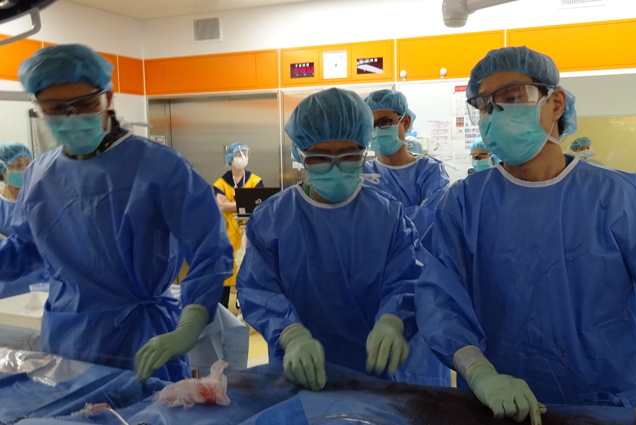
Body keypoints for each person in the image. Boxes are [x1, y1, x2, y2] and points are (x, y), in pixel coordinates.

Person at [417, 45, 636, 425]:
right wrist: (480, 373)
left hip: (609, 403)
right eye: (485, 105)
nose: (495, 113)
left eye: (513, 97)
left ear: (556, 104)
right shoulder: (463, 204)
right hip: (500, 406)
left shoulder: (618, 198)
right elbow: (439, 299)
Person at [8, 44, 233, 382]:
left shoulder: (158, 166)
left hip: (143, 337)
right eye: (56, 108)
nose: (72, 117)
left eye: (85, 104)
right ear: (39, 108)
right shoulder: (40, 174)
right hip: (68, 337)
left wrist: (190, 322)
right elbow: (25, 248)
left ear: (108, 98)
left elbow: (209, 249)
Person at [236, 87, 449, 391]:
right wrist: (290, 334)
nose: (335, 168)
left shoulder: (387, 216)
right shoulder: (271, 219)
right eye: (319, 158)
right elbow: (258, 288)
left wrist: (393, 320)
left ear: (364, 152)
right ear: (299, 154)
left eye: (348, 157)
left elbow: (407, 279)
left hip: (374, 376)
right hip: (298, 372)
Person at [363, 90, 449, 236]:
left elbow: (429, 221)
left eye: (384, 122)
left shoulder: (430, 171)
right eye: (371, 125)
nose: (377, 131)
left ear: (406, 122)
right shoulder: (363, 174)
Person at [213, 142, 264, 308]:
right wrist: (245, 202)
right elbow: (220, 207)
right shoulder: (221, 183)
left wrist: (231, 204)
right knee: (225, 275)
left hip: (249, 235)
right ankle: (222, 311)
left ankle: (246, 308)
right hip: (227, 236)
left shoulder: (255, 181)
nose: (242, 158)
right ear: (230, 158)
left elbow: (259, 204)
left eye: (245, 154)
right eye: (238, 154)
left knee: (248, 273)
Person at [0, 142, 47, 298]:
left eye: (28, 163)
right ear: (3, 171)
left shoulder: (39, 199)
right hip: (7, 290)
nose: (24, 170)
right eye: (17, 165)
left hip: (43, 285)